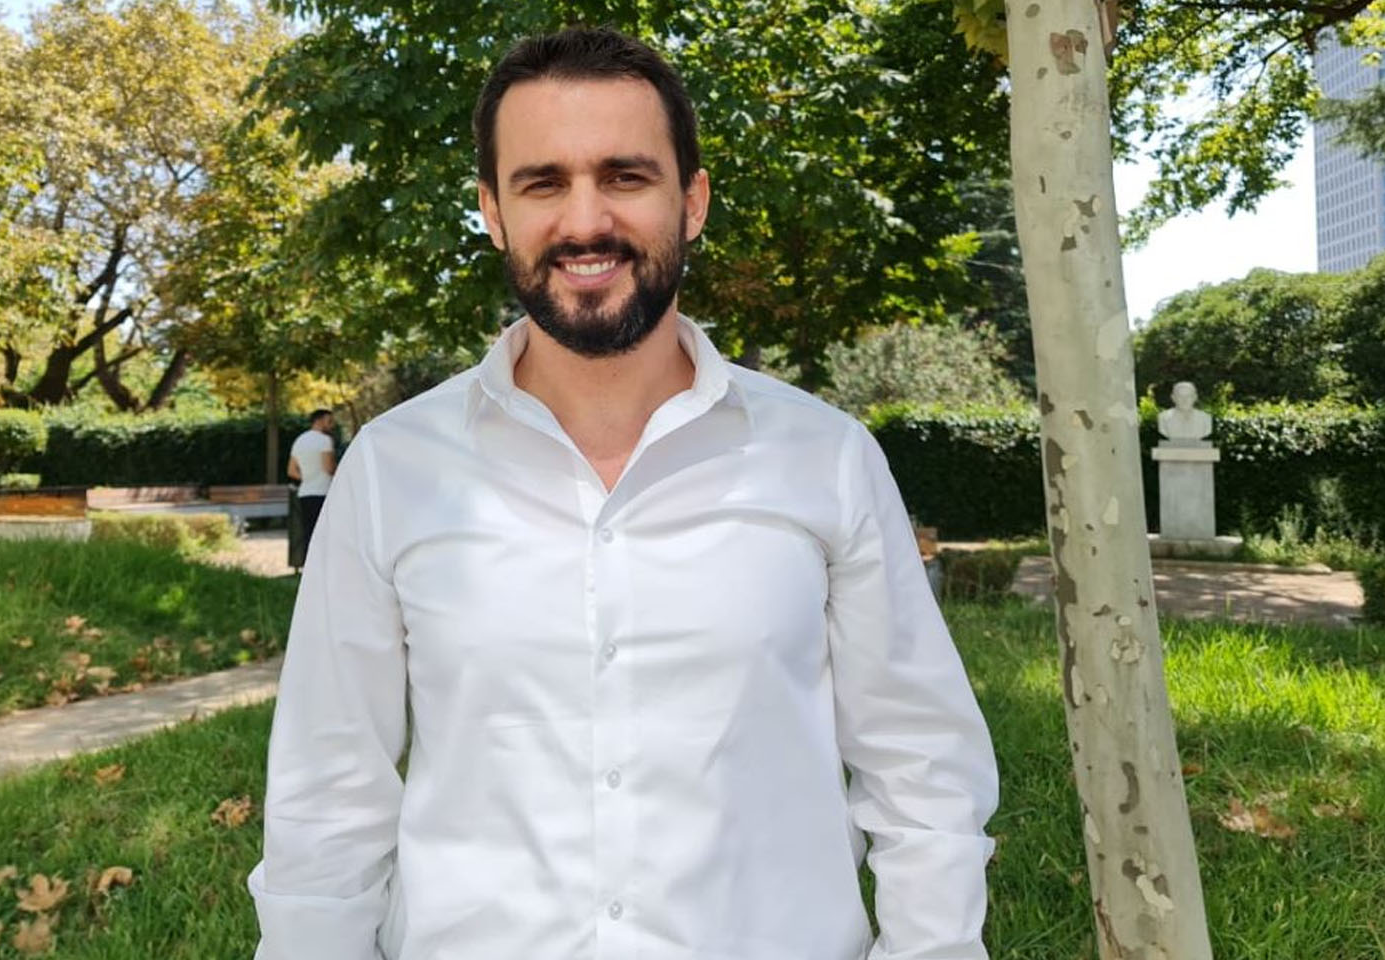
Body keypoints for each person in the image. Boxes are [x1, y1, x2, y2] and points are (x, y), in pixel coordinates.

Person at [249, 26, 997, 960]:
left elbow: (923, 772)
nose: (585, 221)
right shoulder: (393, 471)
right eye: (543, 183)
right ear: (492, 212)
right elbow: (328, 793)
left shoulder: (826, 458)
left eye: (626, 176)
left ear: (693, 201)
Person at [286, 409, 337, 566]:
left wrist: (308, 477)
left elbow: (291, 471)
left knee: (310, 532)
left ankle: (310, 567)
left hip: (305, 492)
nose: (332, 425)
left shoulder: (299, 440)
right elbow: (328, 468)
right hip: (323, 492)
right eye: (329, 421)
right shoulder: (324, 441)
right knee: (326, 533)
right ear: (319, 421)